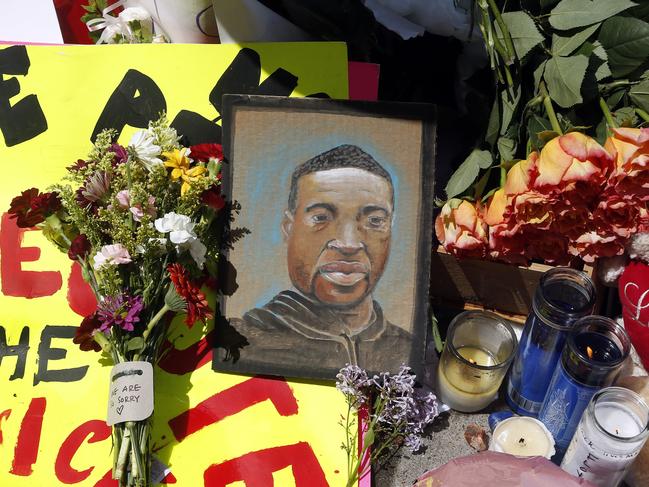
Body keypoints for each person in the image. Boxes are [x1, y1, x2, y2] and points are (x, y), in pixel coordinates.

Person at [219, 144, 413, 378]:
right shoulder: (240, 342)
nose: (348, 243)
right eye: (321, 218)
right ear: (288, 229)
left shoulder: (407, 352)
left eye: (374, 221)